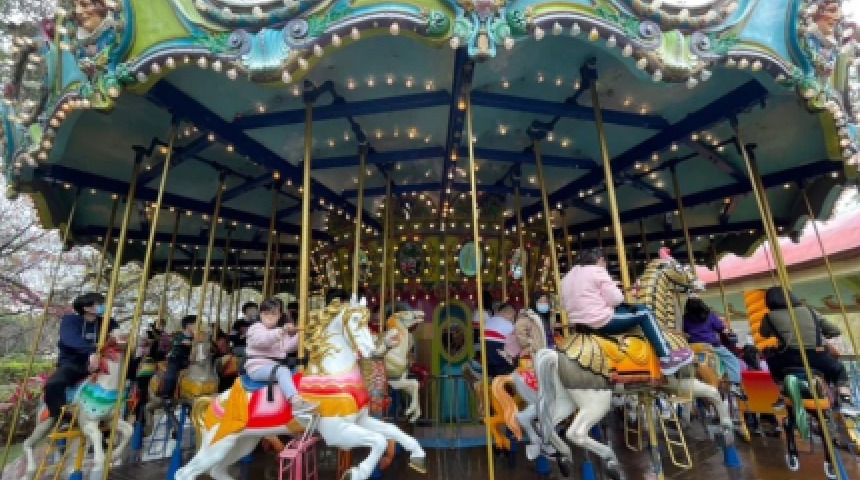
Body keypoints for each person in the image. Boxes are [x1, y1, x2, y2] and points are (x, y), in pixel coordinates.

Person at [560, 248, 693, 375]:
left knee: (630, 310)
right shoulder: (597, 271)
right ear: (600, 260)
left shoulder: (567, 277)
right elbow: (616, 299)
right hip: (601, 321)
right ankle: (667, 357)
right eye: (605, 263)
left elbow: (564, 304)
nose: (605, 266)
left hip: (580, 325)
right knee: (644, 312)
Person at [44, 292, 118, 424]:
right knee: (54, 383)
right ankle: (59, 416)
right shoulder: (70, 321)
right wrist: (90, 352)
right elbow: (69, 339)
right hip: (73, 363)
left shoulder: (107, 322)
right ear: (87, 308)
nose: (104, 306)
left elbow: (117, 336)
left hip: (100, 364)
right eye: (100, 304)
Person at [759, 287, 846, 386]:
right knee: (839, 370)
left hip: (789, 358)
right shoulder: (811, 311)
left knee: (772, 363)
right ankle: (844, 393)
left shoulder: (769, 316)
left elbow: (764, 334)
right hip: (818, 354)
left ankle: (781, 387)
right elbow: (835, 331)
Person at [245, 299, 317, 413]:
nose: (269, 317)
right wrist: (282, 330)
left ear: (279, 316)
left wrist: (302, 334)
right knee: (282, 371)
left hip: (274, 366)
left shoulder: (278, 331)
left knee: (299, 372)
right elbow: (264, 340)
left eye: (273, 314)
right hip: (257, 367)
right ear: (261, 315)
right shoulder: (256, 328)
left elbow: (288, 347)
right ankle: (296, 402)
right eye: (266, 313)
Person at [683, 297, 743, 396]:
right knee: (731, 359)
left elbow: (684, 330)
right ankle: (735, 384)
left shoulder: (685, 318)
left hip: (694, 346)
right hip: (712, 345)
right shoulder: (710, 315)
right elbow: (720, 328)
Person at [158, 315, 198, 399]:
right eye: (195, 323)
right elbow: (183, 342)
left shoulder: (195, 337)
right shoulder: (179, 336)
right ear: (188, 325)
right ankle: (166, 395)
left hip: (188, 361)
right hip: (176, 359)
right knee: (172, 374)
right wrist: (194, 342)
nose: (197, 326)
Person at [482, 303, 517, 377]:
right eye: (513, 316)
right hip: (500, 361)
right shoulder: (507, 324)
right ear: (509, 313)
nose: (513, 318)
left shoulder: (488, 321)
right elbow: (515, 342)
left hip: (487, 360)